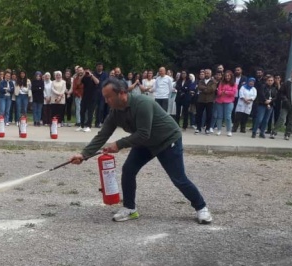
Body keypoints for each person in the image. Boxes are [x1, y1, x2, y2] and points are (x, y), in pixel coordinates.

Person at [69, 78, 212, 224]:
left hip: (167, 141)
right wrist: (83, 154)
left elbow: (144, 133)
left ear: (122, 93)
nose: (106, 101)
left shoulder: (142, 103)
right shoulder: (115, 112)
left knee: (179, 178)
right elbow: (102, 135)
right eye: (104, 97)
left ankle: (201, 207)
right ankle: (130, 209)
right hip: (145, 142)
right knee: (129, 170)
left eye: (108, 97)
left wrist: (119, 144)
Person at [252, 74, 277, 139]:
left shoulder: (274, 88)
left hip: (270, 105)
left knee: (266, 120)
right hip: (262, 104)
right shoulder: (263, 86)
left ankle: (262, 132)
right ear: (266, 81)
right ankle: (254, 131)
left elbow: (276, 97)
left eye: (271, 80)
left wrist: (270, 101)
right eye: (269, 80)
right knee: (259, 119)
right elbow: (261, 94)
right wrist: (266, 101)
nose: (270, 82)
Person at [75, 67, 99, 132]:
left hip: (92, 97)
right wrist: (83, 75)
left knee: (90, 112)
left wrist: (91, 75)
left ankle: (89, 126)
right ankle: (81, 126)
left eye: (88, 71)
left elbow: (97, 82)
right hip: (85, 97)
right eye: (86, 71)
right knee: (82, 111)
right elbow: (78, 83)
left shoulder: (93, 76)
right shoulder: (84, 77)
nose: (87, 72)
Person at [214, 70, 237, 136]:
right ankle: (219, 130)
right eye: (226, 76)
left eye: (228, 76)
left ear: (231, 76)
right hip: (219, 101)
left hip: (229, 102)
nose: (227, 77)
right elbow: (218, 93)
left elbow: (233, 93)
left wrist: (225, 92)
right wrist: (226, 92)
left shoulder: (234, 84)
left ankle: (229, 130)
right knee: (219, 116)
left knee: (228, 117)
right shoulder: (221, 83)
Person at [195, 69, 217, 134]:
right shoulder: (201, 81)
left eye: (208, 73)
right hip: (201, 100)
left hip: (209, 100)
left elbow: (212, 89)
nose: (207, 74)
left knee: (209, 115)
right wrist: (206, 88)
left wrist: (204, 89)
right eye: (206, 73)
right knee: (199, 114)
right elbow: (199, 87)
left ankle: (207, 128)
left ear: (211, 74)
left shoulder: (213, 81)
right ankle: (198, 128)